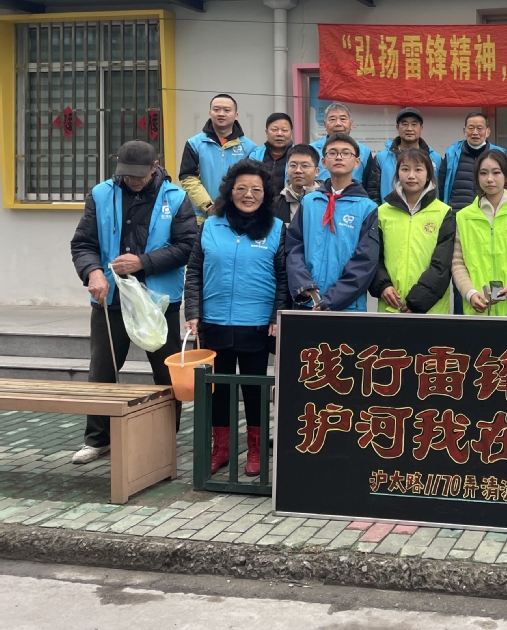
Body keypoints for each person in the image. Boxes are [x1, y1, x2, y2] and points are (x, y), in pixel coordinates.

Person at [69, 141, 197, 464]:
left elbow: (188, 246)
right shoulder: (101, 194)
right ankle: (98, 439)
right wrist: (93, 272)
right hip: (111, 297)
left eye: (139, 175)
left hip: (158, 300)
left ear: (155, 166)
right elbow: (83, 243)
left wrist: (143, 263)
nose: (133, 180)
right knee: (102, 369)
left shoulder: (175, 198)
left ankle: (165, 437)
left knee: (165, 372)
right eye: (127, 174)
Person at [184, 159, 287, 477]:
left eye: (256, 189)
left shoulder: (277, 229)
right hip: (214, 323)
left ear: (265, 194)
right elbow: (194, 271)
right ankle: (222, 449)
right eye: (241, 188)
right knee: (219, 392)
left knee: (254, 391)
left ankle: (256, 450)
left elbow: (283, 278)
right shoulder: (210, 226)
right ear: (230, 191)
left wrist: (277, 315)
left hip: (257, 325)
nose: (248, 194)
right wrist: (193, 312)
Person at [285, 134, 379, 312]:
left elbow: (365, 261)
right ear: (324, 162)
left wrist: (331, 300)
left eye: (346, 153)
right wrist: (302, 284)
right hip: (308, 301)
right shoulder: (309, 202)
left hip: (348, 306)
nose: (339, 157)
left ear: (357, 162)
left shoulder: (367, 208)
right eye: (333, 153)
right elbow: (294, 247)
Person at [453, 150, 507, 317]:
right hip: (478, 309)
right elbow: (457, 262)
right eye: (483, 173)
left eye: (496, 172)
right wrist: (470, 293)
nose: (489, 179)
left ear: (506, 176)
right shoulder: (463, 217)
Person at [371, 148, 455, 314]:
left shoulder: (444, 212)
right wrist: (383, 286)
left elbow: (442, 264)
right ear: (397, 173)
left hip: (431, 310)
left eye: (418, 169)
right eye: (405, 169)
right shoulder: (382, 212)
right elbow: (374, 257)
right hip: (391, 306)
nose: (411, 175)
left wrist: (418, 301)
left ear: (429, 175)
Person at [179, 93, 258, 223]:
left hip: (238, 216)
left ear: (236, 115)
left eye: (227, 110)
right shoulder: (194, 144)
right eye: (216, 109)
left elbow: (252, 182)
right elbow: (188, 177)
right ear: (210, 113)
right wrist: (208, 206)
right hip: (202, 218)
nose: (221, 113)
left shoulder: (249, 147)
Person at [369, 107, 442, 203]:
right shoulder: (381, 158)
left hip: (428, 211)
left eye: (414, 124)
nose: (409, 128)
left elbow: (442, 190)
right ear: (397, 128)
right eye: (404, 124)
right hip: (390, 210)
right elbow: (373, 192)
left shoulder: (435, 158)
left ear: (421, 128)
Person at [439, 111, 505, 211]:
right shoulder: (452, 154)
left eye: (479, 128)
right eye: (471, 128)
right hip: (457, 214)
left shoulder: (499, 155)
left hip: (488, 213)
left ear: (488, 131)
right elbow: (441, 186)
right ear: (464, 130)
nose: (475, 132)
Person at [312, 102, 375, 186]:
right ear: (325, 125)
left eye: (343, 119)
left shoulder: (364, 151)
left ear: (351, 124)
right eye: (332, 119)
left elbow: (369, 186)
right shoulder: (311, 150)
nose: (338, 123)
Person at [272, 144, 321, 227]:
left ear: (316, 171)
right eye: (293, 165)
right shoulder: (274, 204)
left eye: (304, 166)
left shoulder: (327, 201)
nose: (298, 170)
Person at [249, 112, 294, 195]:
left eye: (284, 130)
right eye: (274, 130)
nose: (279, 134)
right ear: (266, 132)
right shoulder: (255, 155)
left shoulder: (298, 155)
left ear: (291, 133)